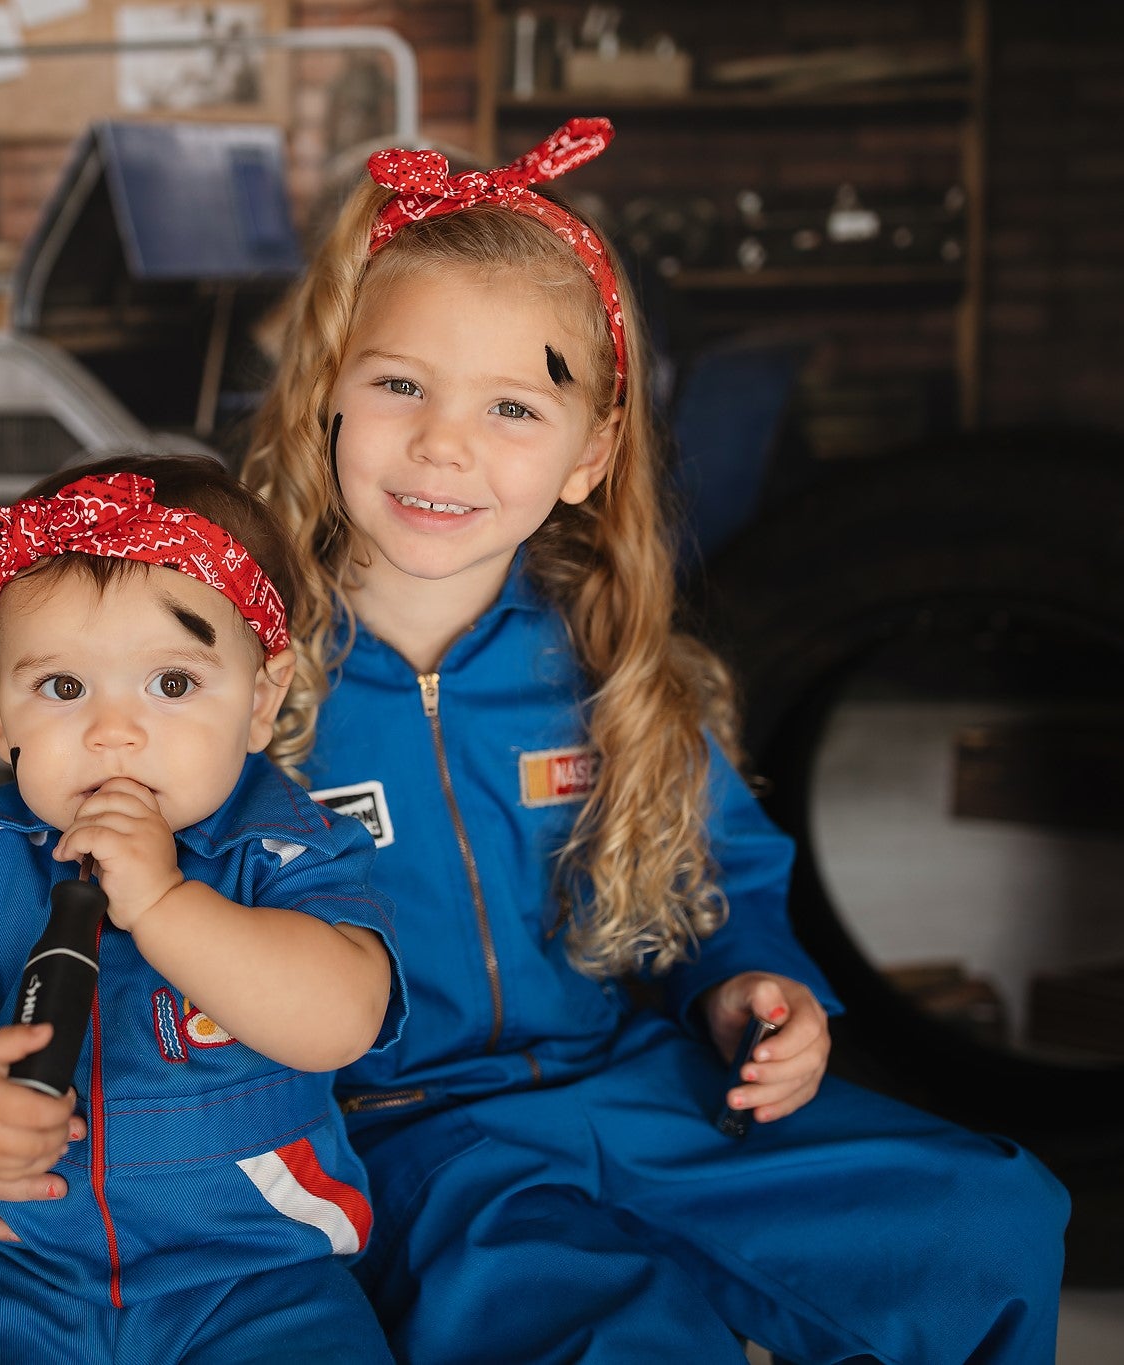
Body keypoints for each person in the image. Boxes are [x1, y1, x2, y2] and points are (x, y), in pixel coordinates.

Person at [223, 118, 1070, 1362]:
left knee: (986, 1221)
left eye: (513, 405)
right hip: (404, 1139)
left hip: (636, 1086)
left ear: (590, 454)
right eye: (398, 384)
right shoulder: (234, 679)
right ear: (326, 400)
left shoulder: (612, 669)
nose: (444, 441)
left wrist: (746, 985)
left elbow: (718, 882)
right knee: (624, 1334)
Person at [0, 455, 405, 1363]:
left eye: (172, 684)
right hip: (12, 1272)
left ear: (262, 698)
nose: (112, 732)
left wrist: (165, 902)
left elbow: (342, 1018)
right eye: (62, 688)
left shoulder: (289, 851)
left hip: (260, 1280)